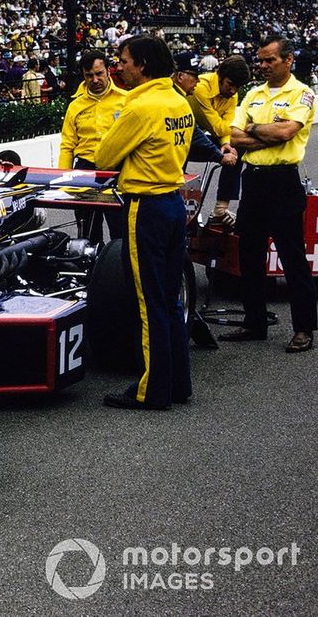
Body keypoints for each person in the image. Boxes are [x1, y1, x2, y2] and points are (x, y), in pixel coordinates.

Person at [94, 35, 194, 410]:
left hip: (145, 208)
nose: (120, 66)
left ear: (144, 65)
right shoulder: (177, 100)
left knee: (148, 303)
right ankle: (177, 383)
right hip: (172, 202)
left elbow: (105, 154)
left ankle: (151, 390)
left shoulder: (141, 108)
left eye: (125, 61)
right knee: (169, 301)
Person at [222, 36, 317, 353]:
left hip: (283, 182)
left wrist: (253, 129)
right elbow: (233, 136)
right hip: (254, 181)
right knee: (249, 255)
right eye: (259, 60)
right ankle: (254, 322)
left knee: (292, 258)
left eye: (268, 60)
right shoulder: (252, 94)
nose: (261, 66)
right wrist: (264, 133)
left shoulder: (303, 93)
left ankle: (303, 328)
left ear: (288, 60)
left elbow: (287, 133)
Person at [58, 49, 128, 243]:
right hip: (85, 171)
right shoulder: (75, 106)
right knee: (88, 232)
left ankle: (120, 268)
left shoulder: (126, 100)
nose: (95, 80)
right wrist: (64, 179)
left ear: (108, 71)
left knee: (120, 227)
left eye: (99, 74)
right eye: (89, 75)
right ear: (83, 75)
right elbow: (67, 145)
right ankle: (91, 270)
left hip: (118, 170)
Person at [187, 55, 251, 225]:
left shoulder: (232, 94)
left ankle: (220, 209)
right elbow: (216, 127)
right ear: (220, 76)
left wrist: (226, 144)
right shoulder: (201, 88)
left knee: (237, 148)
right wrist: (231, 133)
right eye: (229, 85)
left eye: (237, 88)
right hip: (182, 137)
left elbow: (225, 129)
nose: (232, 92)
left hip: (202, 137)